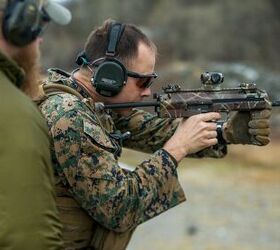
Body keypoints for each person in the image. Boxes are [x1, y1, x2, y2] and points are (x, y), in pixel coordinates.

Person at [37, 19, 271, 249]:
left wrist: (224, 133)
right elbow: (119, 208)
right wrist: (176, 150)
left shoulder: (92, 103)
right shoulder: (70, 115)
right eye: (143, 81)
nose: (148, 92)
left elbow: (154, 131)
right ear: (111, 75)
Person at [0, 0, 71, 249]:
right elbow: (30, 241)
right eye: (39, 24)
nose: (40, 39)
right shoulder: (16, 113)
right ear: (17, 25)